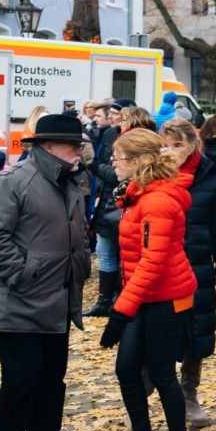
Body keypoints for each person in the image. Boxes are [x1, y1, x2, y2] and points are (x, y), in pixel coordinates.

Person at [0, 113, 92, 431]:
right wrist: (26, 274)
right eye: (74, 145)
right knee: (21, 379)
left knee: (52, 377)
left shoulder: (68, 181)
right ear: (49, 146)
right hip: (18, 303)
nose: (80, 151)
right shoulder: (11, 182)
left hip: (58, 300)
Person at [98, 129, 196, 431]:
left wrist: (120, 312)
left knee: (162, 374)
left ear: (137, 162)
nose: (113, 164)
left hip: (165, 298)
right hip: (144, 297)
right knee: (126, 369)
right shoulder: (140, 194)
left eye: (118, 158)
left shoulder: (157, 201)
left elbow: (152, 263)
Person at [160, 119, 216, 428]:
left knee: (197, 333)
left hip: (197, 265)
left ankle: (189, 393)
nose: (171, 151)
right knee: (158, 334)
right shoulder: (152, 176)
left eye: (178, 145)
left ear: (194, 145)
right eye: (166, 144)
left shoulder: (208, 177)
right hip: (160, 268)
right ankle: (152, 391)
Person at [85, 100, 139, 317]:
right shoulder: (109, 135)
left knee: (114, 253)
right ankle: (106, 300)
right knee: (105, 252)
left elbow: (117, 175)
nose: (114, 118)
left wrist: (94, 166)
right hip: (108, 202)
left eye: (119, 115)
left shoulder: (130, 142)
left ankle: (114, 299)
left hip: (118, 204)